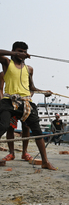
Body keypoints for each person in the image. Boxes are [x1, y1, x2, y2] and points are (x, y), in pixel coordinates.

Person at [0, 41, 56, 170]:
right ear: (14, 51)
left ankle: (45, 162)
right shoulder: (7, 63)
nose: (22, 54)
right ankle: (11, 152)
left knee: (37, 132)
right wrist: (14, 54)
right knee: (3, 126)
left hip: (26, 102)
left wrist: (43, 92)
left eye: (24, 52)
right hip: (9, 100)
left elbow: (31, 87)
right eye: (19, 51)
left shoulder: (29, 68)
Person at [0, 71, 33, 161]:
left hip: (24, 102)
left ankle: (25, 152)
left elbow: (31, 88)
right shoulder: (3, 73)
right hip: (9, 103)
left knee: (26, 126)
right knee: (10, 127)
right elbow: (0, 89)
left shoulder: (27, 70)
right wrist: (4, 103)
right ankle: (11, 152)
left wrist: (27, 98)